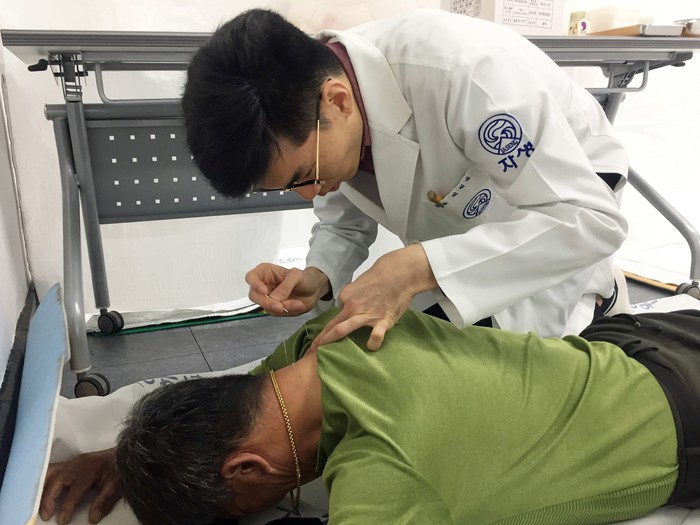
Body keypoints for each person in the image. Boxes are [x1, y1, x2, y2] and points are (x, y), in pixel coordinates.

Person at [181, 8, 629, 350]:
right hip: (469, 231)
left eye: (305, 176)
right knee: (383, 348)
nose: (308, 194)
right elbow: (343, 222)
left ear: (338, 101)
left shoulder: (463, 72)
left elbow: (589, 218)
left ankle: (599, 292)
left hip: (566, 210)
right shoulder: (322, 104)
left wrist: (418, 267)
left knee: (497, 377)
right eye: (288, 186)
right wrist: (318, 276)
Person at [40, 307, 700, 525]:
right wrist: (137, 452)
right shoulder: (327, 336)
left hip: (686, 424)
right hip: (638, 340)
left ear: (245, 467)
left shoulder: (383, 474)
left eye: (241, 507)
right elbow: (230, 400)